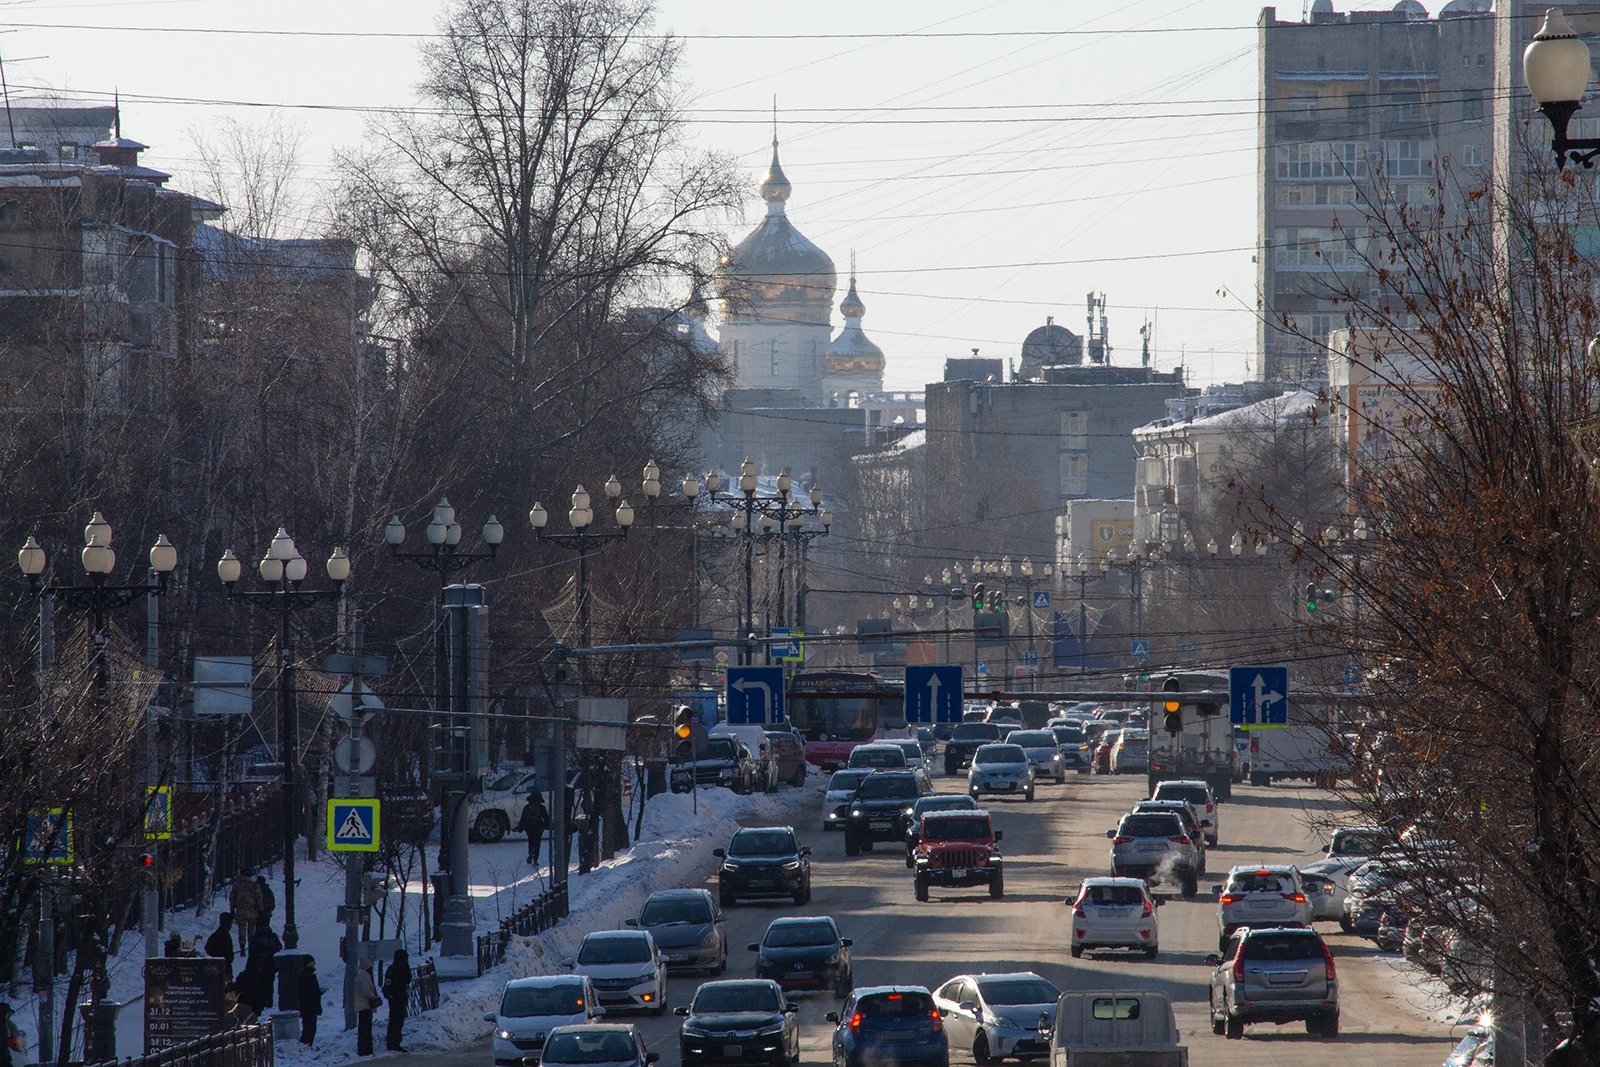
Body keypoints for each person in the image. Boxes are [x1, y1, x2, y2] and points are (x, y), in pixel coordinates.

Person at [383, 949, 412, 1052]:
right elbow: (408, 979)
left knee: (392, 1019)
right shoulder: (403, 967)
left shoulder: (391, 968)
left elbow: (387, 982)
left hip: (392, 998)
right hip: (399, 997)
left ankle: (391, 1042)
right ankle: (395, 1043)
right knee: (398, 1021)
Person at [229, 873, 263, 955]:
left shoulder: (237, 886)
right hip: (252, 911)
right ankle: (251, 947)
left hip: (240, 911)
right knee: (251, 930)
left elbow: (232, 898)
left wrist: (232, 909)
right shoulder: (254, 885)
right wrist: (260, 908)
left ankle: (242, 948)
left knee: (242, 930)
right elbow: (259, 897)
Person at [353, 959, 380, 1056]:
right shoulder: (364, 976)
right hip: (364, 1005)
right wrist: (374, 996)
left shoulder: (361, 974)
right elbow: (365, 991)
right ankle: (365, 1050)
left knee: (364, 1028)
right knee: (365, 1029)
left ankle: (364, 1049)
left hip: (362, 1005)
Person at [516, 791, 550, 865]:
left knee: (531, 841)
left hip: (529, 827)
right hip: (538, 827)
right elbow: (546, 818)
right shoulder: (541, 807)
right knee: (537, 843)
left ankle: (530, 853)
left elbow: (523, 819)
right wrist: (547, 825)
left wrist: (520, 828)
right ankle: (535, 859)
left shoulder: (527, 807)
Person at [297, 958, 324, 1045]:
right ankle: (305, 1045)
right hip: (309, 1008)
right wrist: (317, 993)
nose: (314, 963)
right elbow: (308, 993)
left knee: (310, 1028)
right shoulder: (307, 976)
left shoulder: (308, 975)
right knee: (309, 1029)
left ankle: (306, 1045)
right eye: (313, 962)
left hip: (309, 1008)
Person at [204, 913, 236, 978]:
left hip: (214, 969)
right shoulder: (226, 936)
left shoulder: (214, 935)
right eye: (231, 922)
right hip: (225, 970)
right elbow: (229, 955)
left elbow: (207, 947)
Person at [1, 1003, 23, 1067]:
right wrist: (8, 1040)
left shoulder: (4, 1023)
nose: (9, 1015)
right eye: (8, 1013)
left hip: (4, 1056)